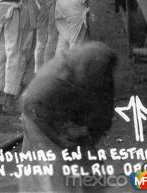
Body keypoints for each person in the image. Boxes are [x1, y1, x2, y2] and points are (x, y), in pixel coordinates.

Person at [18, 41, 117, 193]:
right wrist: (62, 141)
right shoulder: (51, 82)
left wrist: (88, 132)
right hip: (38, 118)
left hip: (67, 117)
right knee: (54, 170)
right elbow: (33, 110)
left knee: (89, 164)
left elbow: (104, 111)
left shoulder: (100, 70)